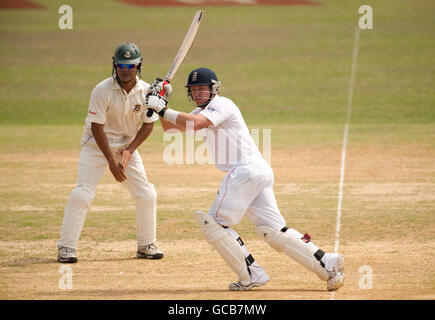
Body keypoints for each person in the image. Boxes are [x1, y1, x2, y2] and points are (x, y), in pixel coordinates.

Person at [144, 67, 344, 291]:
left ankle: (251, 275)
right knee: (274, 230)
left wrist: (164, 108)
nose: (198, 93)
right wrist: (156, 106)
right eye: (193, 89)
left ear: (214, 89)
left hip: (244, 172)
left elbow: (196, 122)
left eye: (202, 88)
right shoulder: (203, 112)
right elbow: (171, 127)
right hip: (256, 172)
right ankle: (328, 263)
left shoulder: (221, 105)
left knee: (214, 224)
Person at [57, 42, 170, 263]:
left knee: (146, 193)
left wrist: (129, 150)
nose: (125, 70)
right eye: (121, 65)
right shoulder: (101, 90)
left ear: (138, 66)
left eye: (130, 66)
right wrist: (111, 160)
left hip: (126, 144)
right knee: (83, 193)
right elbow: (96, 127)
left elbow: (148, 124)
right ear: (114, 65)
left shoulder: (147, 91)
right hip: (96, 145)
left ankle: (146, 244)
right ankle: (67, 247)